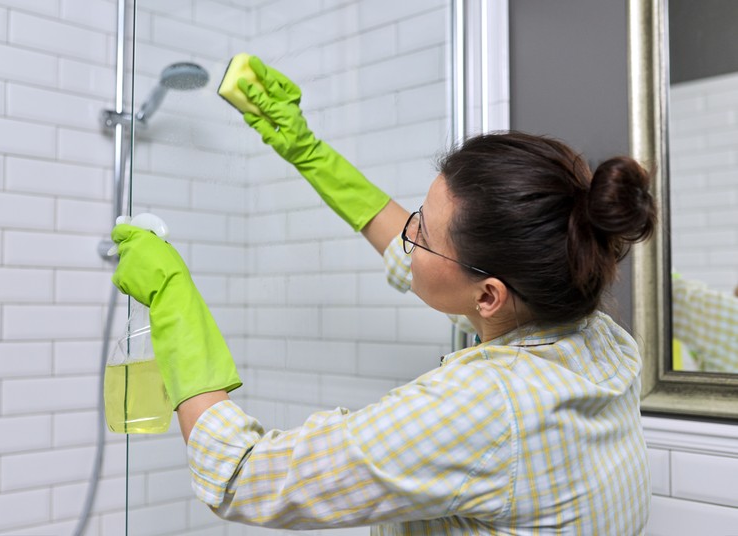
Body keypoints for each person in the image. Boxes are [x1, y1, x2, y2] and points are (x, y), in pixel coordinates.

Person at [111, 56, 656, 534]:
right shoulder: (595, 337)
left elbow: (241, 477)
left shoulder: (482, 407)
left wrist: (172, 300)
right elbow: (421, 256)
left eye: (422, 231)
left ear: (489, 296)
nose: (408, 234)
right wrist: (307, 150)